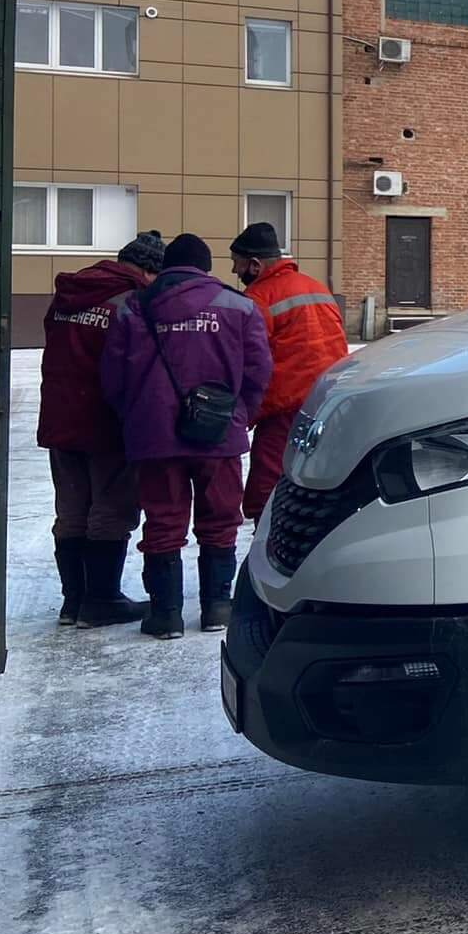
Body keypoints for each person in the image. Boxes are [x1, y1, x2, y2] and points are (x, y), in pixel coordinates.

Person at [101, 234, 271, 638]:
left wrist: (137, 414)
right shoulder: (239, 305)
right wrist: (239, 413)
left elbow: (113, 376)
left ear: (165, 267)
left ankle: (166, 615)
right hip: (219, 432)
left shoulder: (133, 307)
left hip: (154, 434)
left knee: (162, 521)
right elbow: (259, 370)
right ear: (205, 267)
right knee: (220, 519)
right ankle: (217, 608)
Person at [38, 230, 164, 626]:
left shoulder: (69, 295)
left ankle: (73, 601)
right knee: (111, 509)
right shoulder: (131, 302)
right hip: (106, 423)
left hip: (60, 419)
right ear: (147, 271)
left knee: (72, 510)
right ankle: (102, 599)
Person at [228, 221, 348, 522]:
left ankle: (270, 548)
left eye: (237, 263)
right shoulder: (317, 288)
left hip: (283, 407)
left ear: (255, 265)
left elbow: (251, 360)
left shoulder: (257, 299)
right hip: (326, 399)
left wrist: (246, 411)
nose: (234, 272)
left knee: (266, 491)